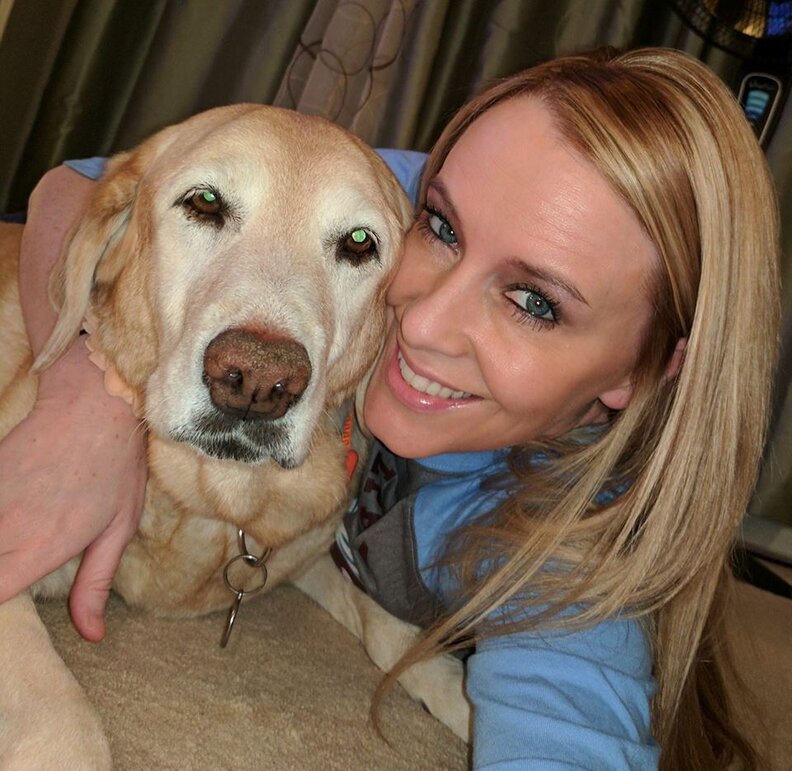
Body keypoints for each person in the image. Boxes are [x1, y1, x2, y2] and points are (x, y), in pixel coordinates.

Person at [0, 47, 780, 769]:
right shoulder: (380, 184)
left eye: (534, 302)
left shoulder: (565, 559)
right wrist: (79, 376)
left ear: (642, 373)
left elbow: (570, 719)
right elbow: (79, 185)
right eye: (441, 229)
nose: (420, 320)